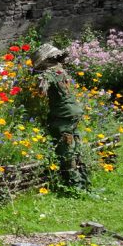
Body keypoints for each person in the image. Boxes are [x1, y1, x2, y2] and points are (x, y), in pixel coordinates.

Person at [31, 43, 89, 189]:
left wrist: (39, 87)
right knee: (76, 145)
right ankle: (84, 179)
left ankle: (74, 184)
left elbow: (41, 88)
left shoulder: (48, 73)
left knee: (66, 148)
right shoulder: (61, 70)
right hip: (73, 111)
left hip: (63, 114)